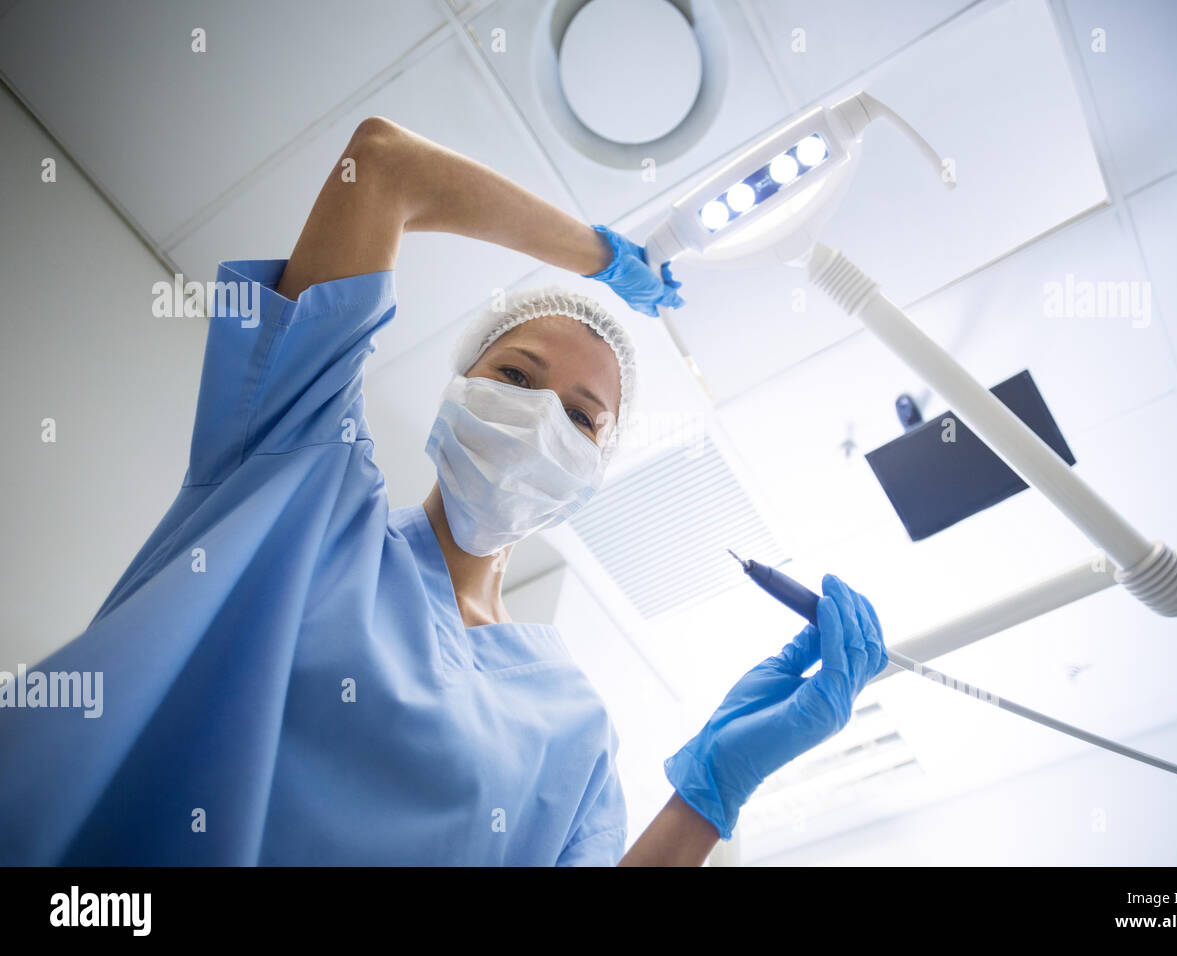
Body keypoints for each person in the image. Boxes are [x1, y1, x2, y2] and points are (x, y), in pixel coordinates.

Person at [0, 117, 887, 866]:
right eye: (516, 374)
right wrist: (601, 257)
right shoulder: (306, 483)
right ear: (458, 387)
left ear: (594, 475)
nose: (541, 419)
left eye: (583, 418)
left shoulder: (571, 723)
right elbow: (380, 165)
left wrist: (711, 790)